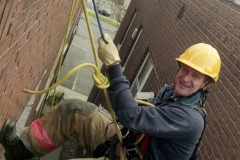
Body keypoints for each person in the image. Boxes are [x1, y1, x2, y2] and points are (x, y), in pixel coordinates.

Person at [0, 33, 221, 160]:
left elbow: (130, 115)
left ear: (205, 84)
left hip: (132, 155)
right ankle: (21, 150)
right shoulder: (168, 92)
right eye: (185, 70)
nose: (186, 78)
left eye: (196, 76)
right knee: (74, 111)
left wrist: (114, 66)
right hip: (126, 142)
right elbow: (131, 116)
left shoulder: (190, 120)